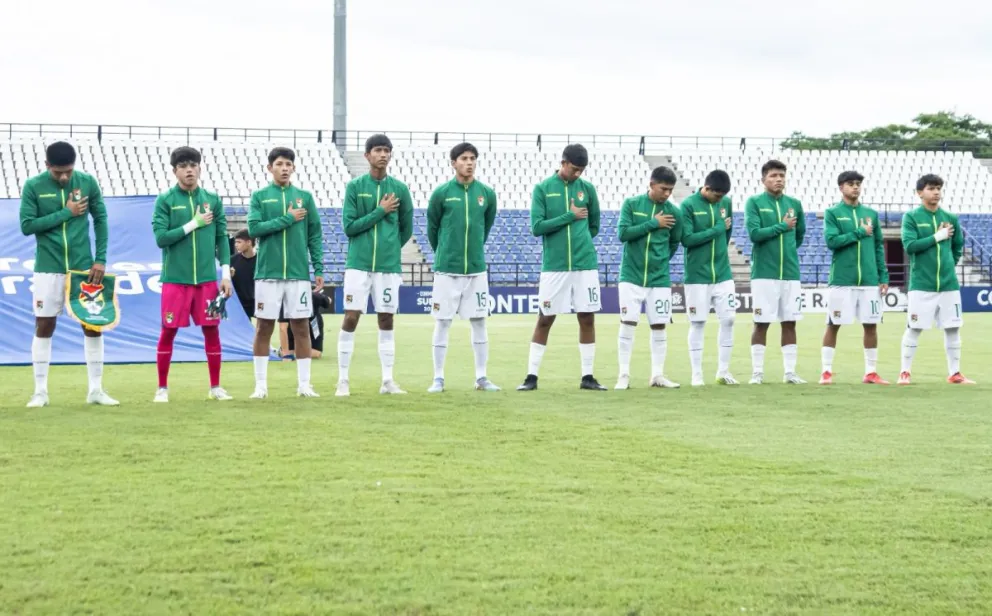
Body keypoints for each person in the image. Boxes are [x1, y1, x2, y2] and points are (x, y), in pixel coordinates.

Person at [19, 141, 117, 408]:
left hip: (83, 269)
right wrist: (67, 213)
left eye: (68, 171)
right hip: (47, 268)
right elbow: (27, 226)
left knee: (92, 325)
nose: (63, 177)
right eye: (58, 172)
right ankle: (40, 392)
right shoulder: (33, 186)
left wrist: (101, 259)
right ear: (47, 166)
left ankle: (96, 390)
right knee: (44, 325)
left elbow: (101, 219)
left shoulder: (87, 182)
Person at [517, 143, 606, 391]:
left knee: (587, 318)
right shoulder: (543, 189)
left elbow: (594, 226)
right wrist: (569, 216)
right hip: (554, 266)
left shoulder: (587, 189)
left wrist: (581, 241)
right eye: (575, 168)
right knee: (545, 318)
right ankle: (531, 377)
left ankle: (588, 377)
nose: (578, 174)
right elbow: (537, 227)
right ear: (563, 163)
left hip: (585, 265)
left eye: (582, 170)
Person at [151, 146, 234, 402]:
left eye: (193, 165)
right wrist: (192, 224)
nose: (189, 170)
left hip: (208, 281)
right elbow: (161, 239)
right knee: (169, 331)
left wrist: (225, 274)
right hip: (176, 280)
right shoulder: (165, 200)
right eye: (183, 166)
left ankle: (215, 387)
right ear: (174, 170)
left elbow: (221, 237)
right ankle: (162, 388)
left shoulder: (212, 199)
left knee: (212, 330)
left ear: (200, 167)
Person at [337, 134, 414, 397]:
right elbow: (349, 227)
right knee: (351, 315)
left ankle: (387, 381)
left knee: (386, 317)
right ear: (367, 155)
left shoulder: (400, 190)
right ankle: (343, 380)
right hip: (358, 264)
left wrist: (390, 248)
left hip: (388, 266)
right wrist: (380, 211)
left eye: (386, 150)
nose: (382, 154)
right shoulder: (355, 187)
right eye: (377, 150)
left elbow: (406, 229)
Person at [246, 147, 324, 398]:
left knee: (301, 327)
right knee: (264, 327)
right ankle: (260, 386)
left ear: (293, 167)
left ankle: (304, 385)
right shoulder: (260, 196)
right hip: (268, 273)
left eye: (288, 163)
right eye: (279, 163)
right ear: (270, 168)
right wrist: (288, 218)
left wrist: (319, 267)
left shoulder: (305, 197)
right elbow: (255, 229)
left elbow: (315, 235)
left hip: (298, 274)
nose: (285, 168)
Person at [426, 142, 500, 393]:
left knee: (479, 322)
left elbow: (485, 227)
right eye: (464, 158)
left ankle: (481, 377)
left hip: (476, 270)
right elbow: (433, 229)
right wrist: (446, 253)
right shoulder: (442, 193)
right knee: (443, 322)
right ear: (453, 162)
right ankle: (438, 378)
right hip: (447, 269)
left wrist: (473, 251)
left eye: (473, 158)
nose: (469, 162)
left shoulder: (487, 194)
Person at [899, 174, 975, 385]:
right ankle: (905, 372)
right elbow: (910, 246)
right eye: (932, 188)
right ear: (920, 192)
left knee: (953, 327)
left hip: (949, 284)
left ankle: (955, 373)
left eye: (939, 188)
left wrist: (950, 263)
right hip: (922, 284)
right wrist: (936, 237)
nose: (936, 192)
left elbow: (957, 246)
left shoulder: (950, 217)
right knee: (914, 327)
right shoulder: (911, 217)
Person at [819, 171, 890, 385]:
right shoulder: (833, 212)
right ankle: (826, 371)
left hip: (869, 280)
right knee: (833, 324)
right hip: (842, 280)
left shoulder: (871, 214)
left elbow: (878, 246)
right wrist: (859, 232)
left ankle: (870, 372)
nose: (856, 187)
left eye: (858, 183)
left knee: (871, 325)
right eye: (851, 184)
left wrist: (883, 275)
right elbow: (832, 241)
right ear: (841, 187)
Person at [615, 166, 682, 390]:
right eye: (663, 189)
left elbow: (674, 242)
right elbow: (623, 234)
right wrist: (653, 223)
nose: (667, 194)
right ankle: (623, 375)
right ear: (651, 184)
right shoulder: (632, 204)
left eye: (670, 190)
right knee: (628, 323)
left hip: (659, 279)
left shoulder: (675, 212)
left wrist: (661, 259)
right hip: (631, 276)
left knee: (660, 325)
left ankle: (657, 375)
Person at [745, 159, 806, 385]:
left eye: (781, 175)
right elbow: (754, 234)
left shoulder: (794, 203)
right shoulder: (754, 202)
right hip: (764, 273)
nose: (778, 179)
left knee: (790, 322)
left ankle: (790, 372)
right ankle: (757, 373)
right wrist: (781, 226)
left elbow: (799, 235)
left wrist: (787, 246)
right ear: (763, 180)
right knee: (761, 322)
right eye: (773, 176)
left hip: (790, 273)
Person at [680, 170, 738, 387]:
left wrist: (720, 233)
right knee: (698, 322)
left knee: (730, 319)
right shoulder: (688, 205)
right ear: (707, 188)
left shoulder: (726, 203)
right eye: (717, 195)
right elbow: (687, 239)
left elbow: (727, 234)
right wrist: (716, 229)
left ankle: (723, 372)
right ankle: (697, 375)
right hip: (697, 276)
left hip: (723, 273)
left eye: (723, 195)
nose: (720, 199)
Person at [287, 290, 331, 359]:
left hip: (313, 323)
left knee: (316, 353)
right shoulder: (289, 297)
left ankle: (300, 352)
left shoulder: (315, 296)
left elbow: (328, 301)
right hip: (293, 323)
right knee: (289, 351)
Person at [229, 228, 257, 319]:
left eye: (239, 242)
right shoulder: (232, 260)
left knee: (261, 330)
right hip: (239, 304)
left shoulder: (261, 261)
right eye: (235, 242)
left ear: (249, 242)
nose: (236, 245)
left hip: (258, 302)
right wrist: (230, 277)